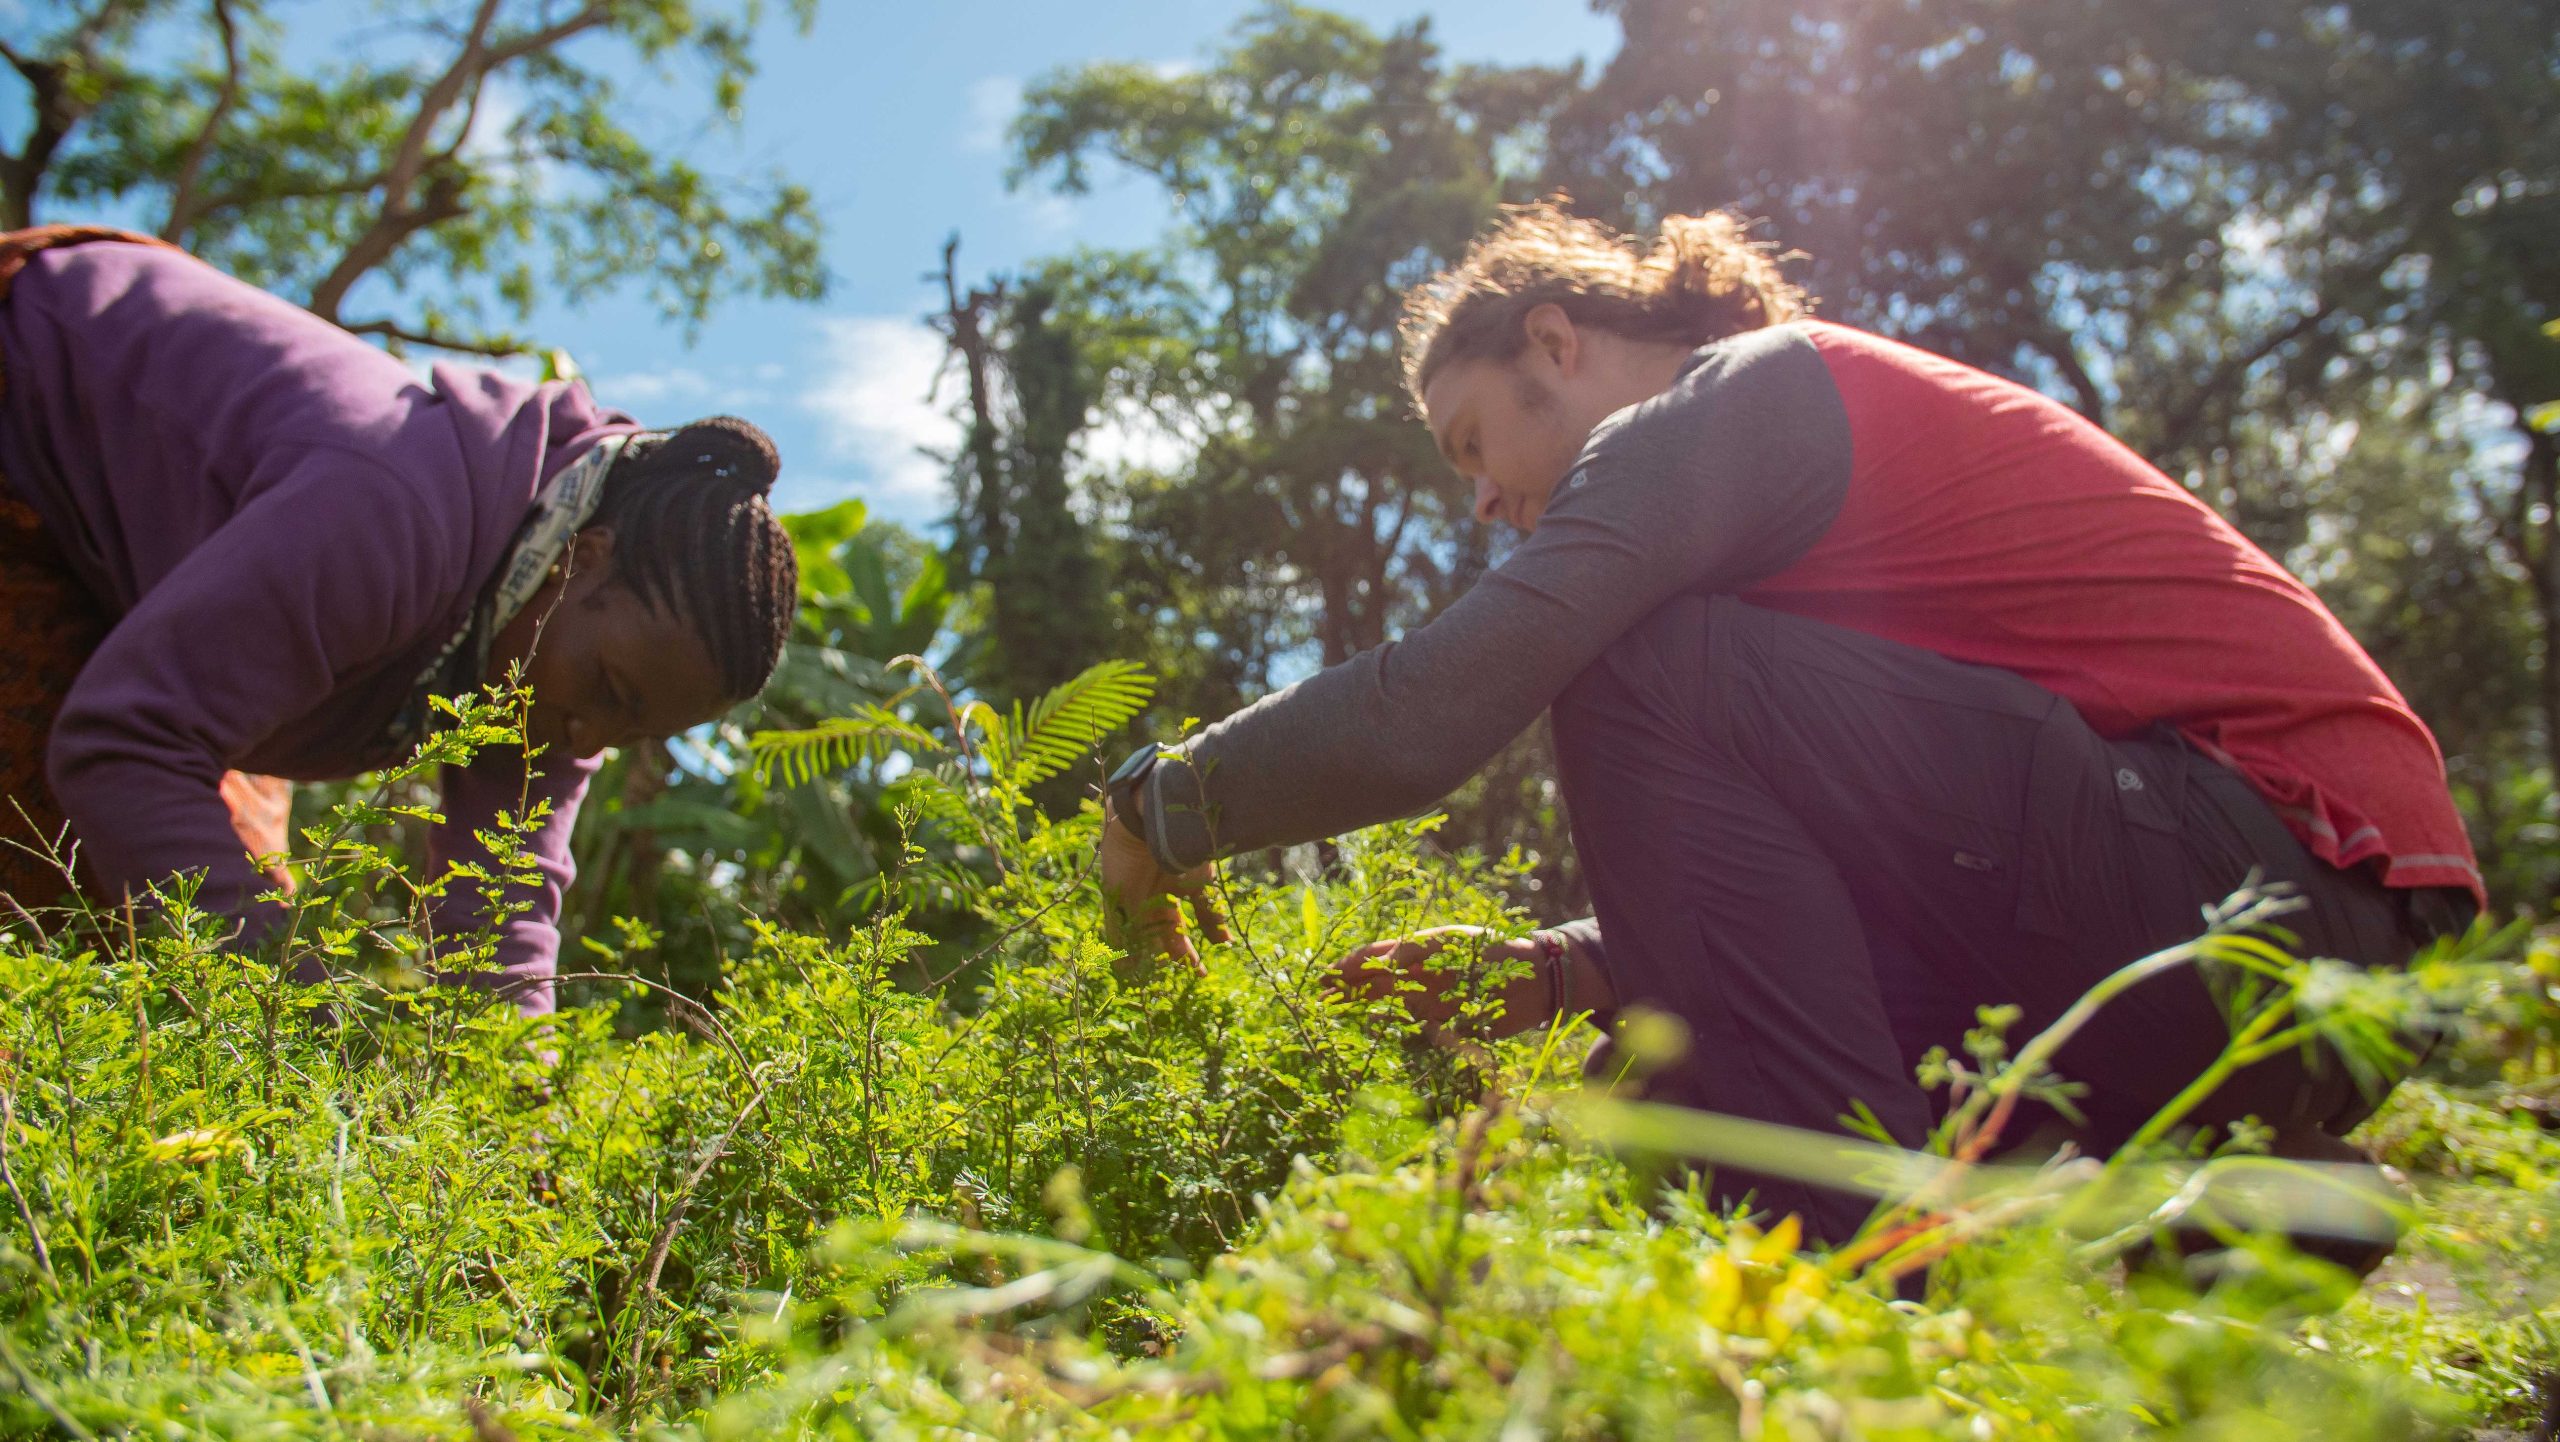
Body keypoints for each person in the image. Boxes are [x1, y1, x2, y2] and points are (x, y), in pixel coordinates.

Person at [1097, 203, 2483, 1244]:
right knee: (1644, 1062)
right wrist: (1564, 966)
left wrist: (1169, 804)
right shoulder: (1774, 526)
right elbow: (1902, 831)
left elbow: (1436, 714)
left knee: (1633, 668)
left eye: (1470, 444)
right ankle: (2275, 1200)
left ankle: (1836, 1286)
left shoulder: (1743, 396)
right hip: (2318, 952)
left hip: (2279, 866)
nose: (1481, 501)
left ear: (1556, 344)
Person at [0, 227, 798, 1014]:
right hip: (25, 408)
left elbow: (501, 914)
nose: (590, 741)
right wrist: (297, 1022)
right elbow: (125, 743)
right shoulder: (390, 513)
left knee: (222, 913)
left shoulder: (560, 677)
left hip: (152, 597)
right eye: (611, 692)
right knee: (74, 896)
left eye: (627, 733)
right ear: (578, 558)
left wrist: (522, 1109)